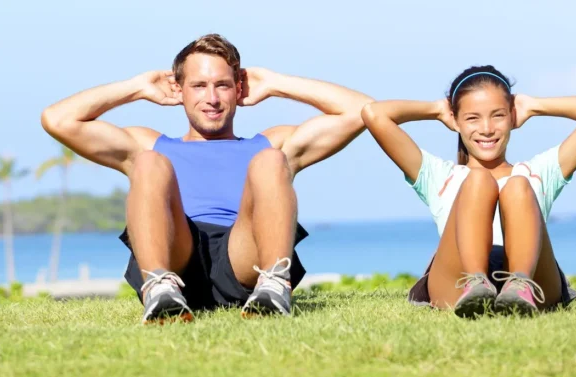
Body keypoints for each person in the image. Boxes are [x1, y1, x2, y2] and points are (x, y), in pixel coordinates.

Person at [40, 33, 372, 323]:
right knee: (149, 163)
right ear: (178, 89)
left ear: (238, 87)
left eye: (222, 85)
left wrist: (275, 83)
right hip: (176, 254)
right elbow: (57, 119)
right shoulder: (151, 144)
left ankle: (274, 287)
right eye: (198, 86)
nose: (211, 99)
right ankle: (159, 290)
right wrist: (136, 88)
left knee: (271, 160)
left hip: (245, 258)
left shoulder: (269, 143)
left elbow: (364, 111)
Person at [361, 65, 576, 318]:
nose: (486, 128)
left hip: (533, 278)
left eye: (498, 115)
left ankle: (519, 286)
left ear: (512, 117)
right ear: (456, 120)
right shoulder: (439, 175)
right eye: (472, 117)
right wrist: (438, 110)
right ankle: (476, 284)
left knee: (517, 185)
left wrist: (533, 105)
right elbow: (374, 114)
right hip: (456, 281)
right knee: (478, 181)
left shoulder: (539, 172)